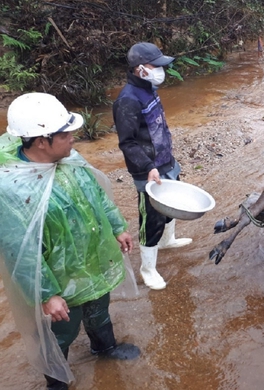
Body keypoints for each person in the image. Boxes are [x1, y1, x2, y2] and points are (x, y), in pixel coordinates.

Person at [0, 93, 140, 390]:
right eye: (65, 134)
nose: (73, 138)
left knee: (99, 310)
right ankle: (56, 382)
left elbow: (97, 195)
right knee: (60, 331)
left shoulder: (67, 157)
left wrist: (118, 227)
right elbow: (20, 252)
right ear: (41, 140)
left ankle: (105, 348)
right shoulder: (11, 188)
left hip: (93, 259)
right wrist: (47, 294)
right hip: (58, 277)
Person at [112, 42, 191, 291]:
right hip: (147, 170)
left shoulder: (149, 88)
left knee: (172, 205)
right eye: (154, 66)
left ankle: (168, 241)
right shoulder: (127, 100)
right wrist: (147, 166)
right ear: (139, 69)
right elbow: (127, 143)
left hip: (165, 161)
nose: (160, 70)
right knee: (151, 218)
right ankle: (147, 268)